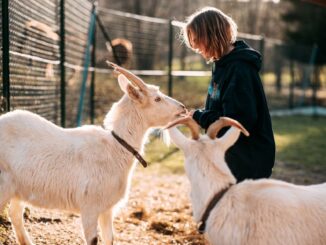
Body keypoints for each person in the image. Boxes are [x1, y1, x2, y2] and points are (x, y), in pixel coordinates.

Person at [182, 7, 275, 182]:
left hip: (248, 160)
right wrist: (199, 115)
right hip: (231, 156)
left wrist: (201, 116)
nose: (194, 47)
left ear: (210, 35)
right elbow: (222, 107)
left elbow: (239, 120)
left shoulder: (240, 69)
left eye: (195, 40)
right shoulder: (221, 64)